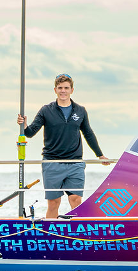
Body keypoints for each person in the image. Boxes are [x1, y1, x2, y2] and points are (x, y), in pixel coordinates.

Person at [18, 73, 109, 218]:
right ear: (55, 90)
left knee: (76, 200)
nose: (63, 91)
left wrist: (100, 154)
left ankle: (77, 235)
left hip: (75, 163)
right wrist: (24, 125)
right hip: (52, 163)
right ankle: (50, 236)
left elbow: (88, 134)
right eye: (60, 88)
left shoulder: (80, 110)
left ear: (72, 90)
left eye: (66, 88)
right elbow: (30, 133)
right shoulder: (46, 110)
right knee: (54, 203)